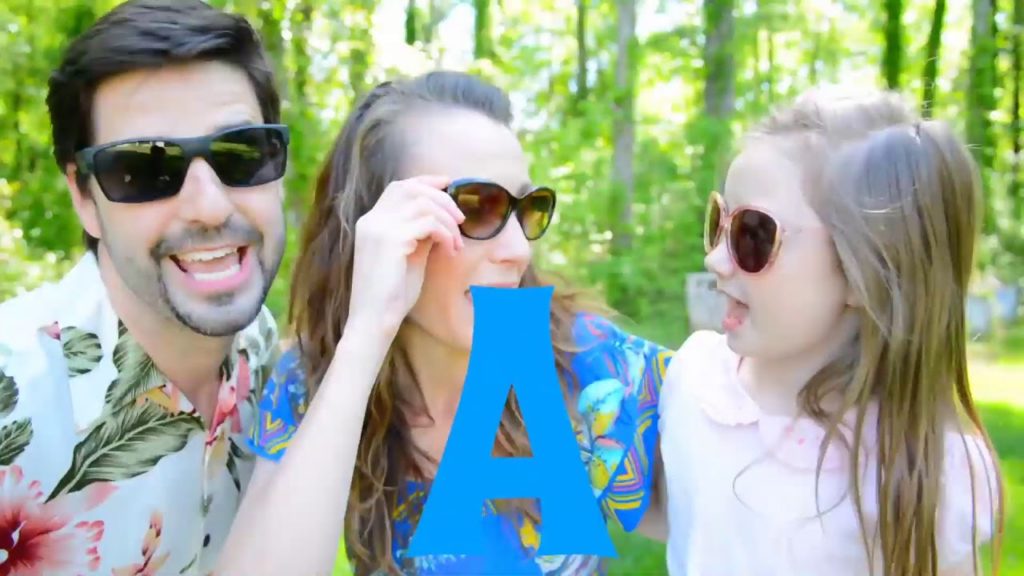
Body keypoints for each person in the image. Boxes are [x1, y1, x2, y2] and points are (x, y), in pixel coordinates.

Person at [217, 70, 671, 575]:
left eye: (527, 209)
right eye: (477, 209)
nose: (519, 251)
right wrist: (366, 333)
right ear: (378, 232)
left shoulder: (588, 366)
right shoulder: (314, 382)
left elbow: (735, 500)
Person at [658, 87, 1004, 575]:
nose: (715, 258)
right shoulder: (696, 381)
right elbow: (687, 521)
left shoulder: (924, 466)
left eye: (753, 233)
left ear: (866, 270)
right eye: (719, 221)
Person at [0, 0, 288, 572]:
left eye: (241, 153)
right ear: (84, 197)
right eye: (143, 169)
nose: (209, 206)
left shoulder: (259, 350)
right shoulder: (12, 397)